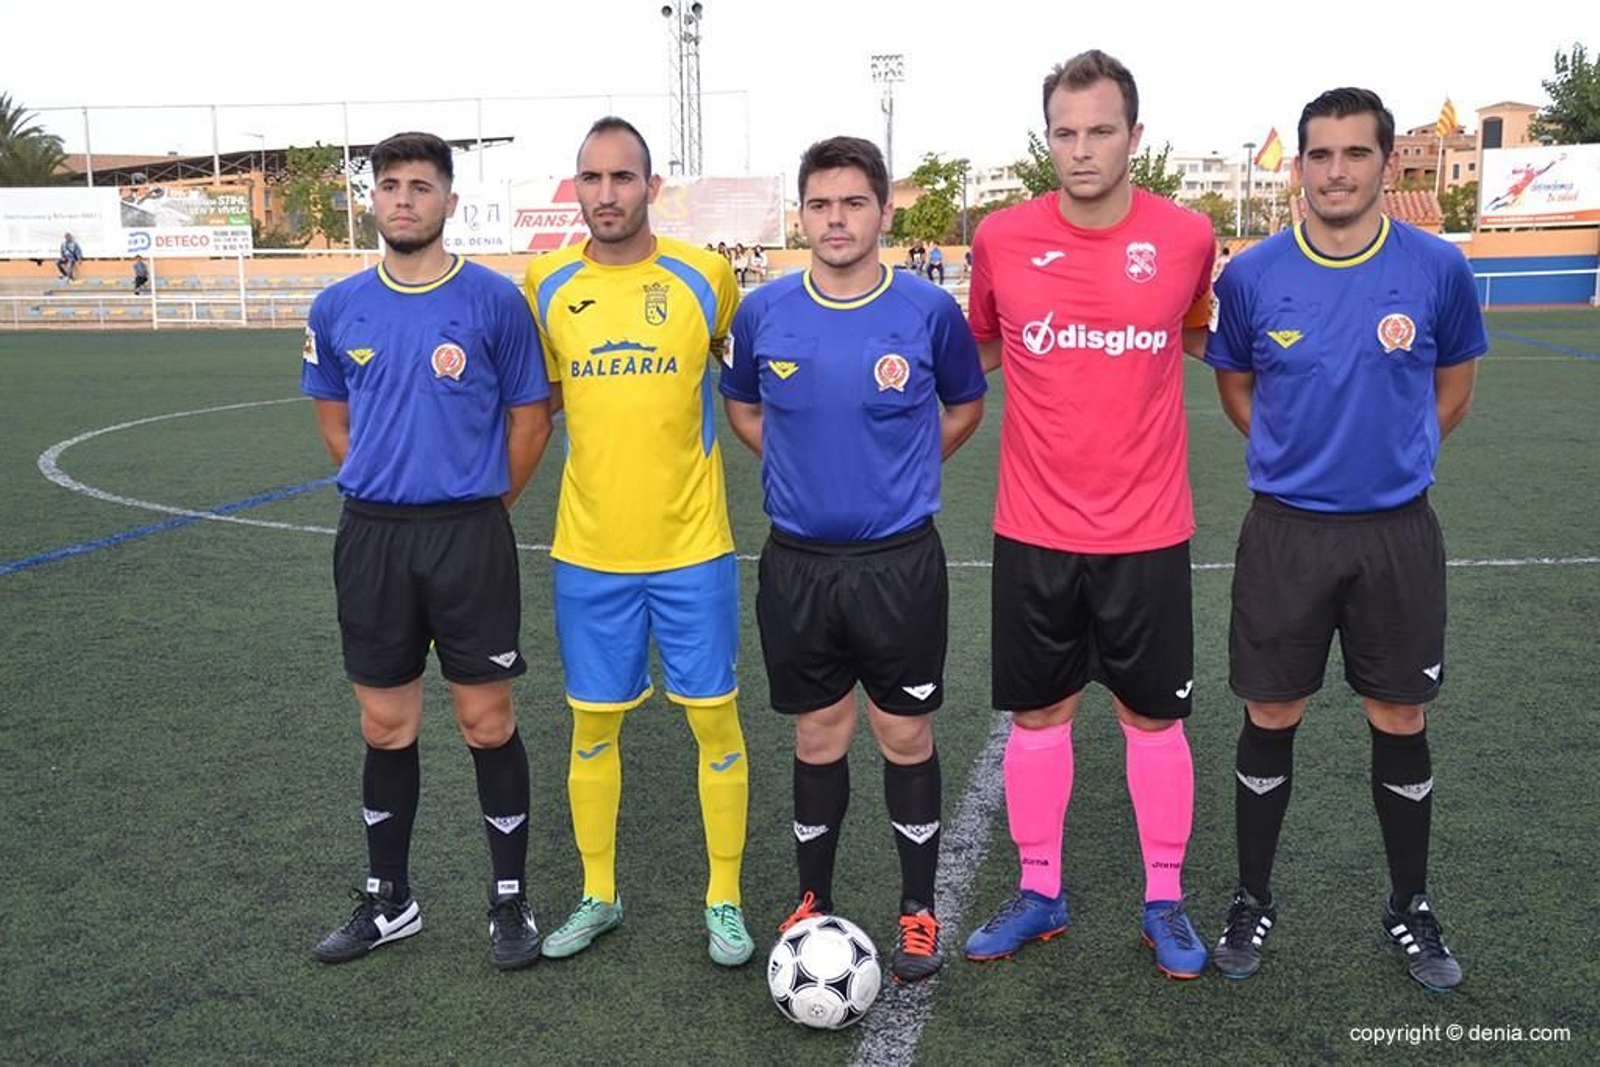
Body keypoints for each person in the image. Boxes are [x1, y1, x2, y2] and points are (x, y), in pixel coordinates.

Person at [1204, 87, 1484, 992]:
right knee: (1271, 713)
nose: (1335, 171)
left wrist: (1391, 461)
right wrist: (1300, 460)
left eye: (1354, 154)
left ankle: (1410, 902)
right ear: (1299, 167)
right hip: (1286, 533)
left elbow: (1454, 388)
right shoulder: (1251, 277)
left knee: (1400, 714)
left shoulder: (1437, 268)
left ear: (1384, 163)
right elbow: (1237, 387)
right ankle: (1252, 895)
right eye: (1319, 155)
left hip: (1397, 533)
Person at [961, 50, 1217, 979]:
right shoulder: (1001, 239)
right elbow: (978, 350)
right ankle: (1040, 892)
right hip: (1032, 528)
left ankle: (1164, 899)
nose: (1081, 149)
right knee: (1039, 716)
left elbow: (1197, 331)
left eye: (1100, 130)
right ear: (1046, 140)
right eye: (1064, 132)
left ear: (1134, 138)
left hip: (1149, 532)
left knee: (1156, 722)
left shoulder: (1188, 236)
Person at [721, 135, 986, 984]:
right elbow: (746, 411)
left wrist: (899, 472)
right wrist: (804, 472)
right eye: (821, 204)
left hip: (897, 564)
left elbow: (964, 405)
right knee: (817, 732)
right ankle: (812, 897)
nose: (837, 220)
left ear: (882, 211)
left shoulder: (927, 311)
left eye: (854, 203)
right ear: (802, 213)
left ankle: (916, 906)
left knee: (903, 733)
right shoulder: (764, 312)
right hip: (799, 563)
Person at [301, 131, 554, 970]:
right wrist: (384, 483)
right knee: (385, 722)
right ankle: (389, 898)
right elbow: (334, 417)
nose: (403, 199)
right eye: (390, 186)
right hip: (373, 537)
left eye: (420, 186)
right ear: (373, 200)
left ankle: (509, 900)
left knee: (487, 721)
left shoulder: (492, 301)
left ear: (449, 201)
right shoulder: (337, 307)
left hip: (469, 536)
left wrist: (483, 501)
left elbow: (529, 419)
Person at [523, 116, 753, 967]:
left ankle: (723, 899)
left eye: (624, 178)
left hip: (693, 547)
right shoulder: (544, 284)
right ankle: (598, 894)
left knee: (715, 725)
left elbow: (738, 362)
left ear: (651, 188)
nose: (607, 194)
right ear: (575, 187)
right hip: (589, 554)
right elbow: (533, 405)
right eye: (592, 178)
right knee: (591, 729)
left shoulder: (706, 276)